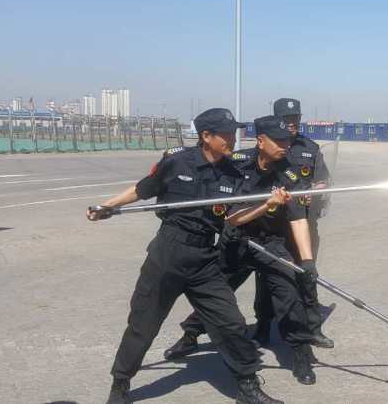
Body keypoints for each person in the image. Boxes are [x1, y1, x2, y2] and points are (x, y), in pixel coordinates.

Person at [87, 108, 284, 404]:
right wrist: (108, 206)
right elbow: (143, 189)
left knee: (230, 322)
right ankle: (120, 383)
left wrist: (267, 205)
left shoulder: (232, 173)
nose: (233, 139)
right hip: (168, 252)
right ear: (206, 136)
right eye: (226, 134)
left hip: (204, 257)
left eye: (234, 133)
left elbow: (233, 218)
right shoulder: (176, 161)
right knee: (143, 323)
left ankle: (247, 385)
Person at [163, 115, 319, 385]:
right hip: (236, 240)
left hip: (271, 243)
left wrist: (306, 261)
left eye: (287, 140)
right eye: (279, 141)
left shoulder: (290, 174)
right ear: (261, 141)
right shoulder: (236, 163)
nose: (285, 145)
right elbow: (208, 175)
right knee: (216, 294)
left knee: (289, 294)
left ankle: (301, 353)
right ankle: (190, 335)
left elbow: (298, 219)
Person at [251, 98, 334, 349]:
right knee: (267, 277)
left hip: (304, 223)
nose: (292, 123)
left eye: (295, 118)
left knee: (307, 275)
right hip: (273, 227)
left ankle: (312, 329)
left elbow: (323, 179)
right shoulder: (266, 146)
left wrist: (314, 190)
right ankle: (263, 327)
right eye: (286, 119)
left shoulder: (310, 148)